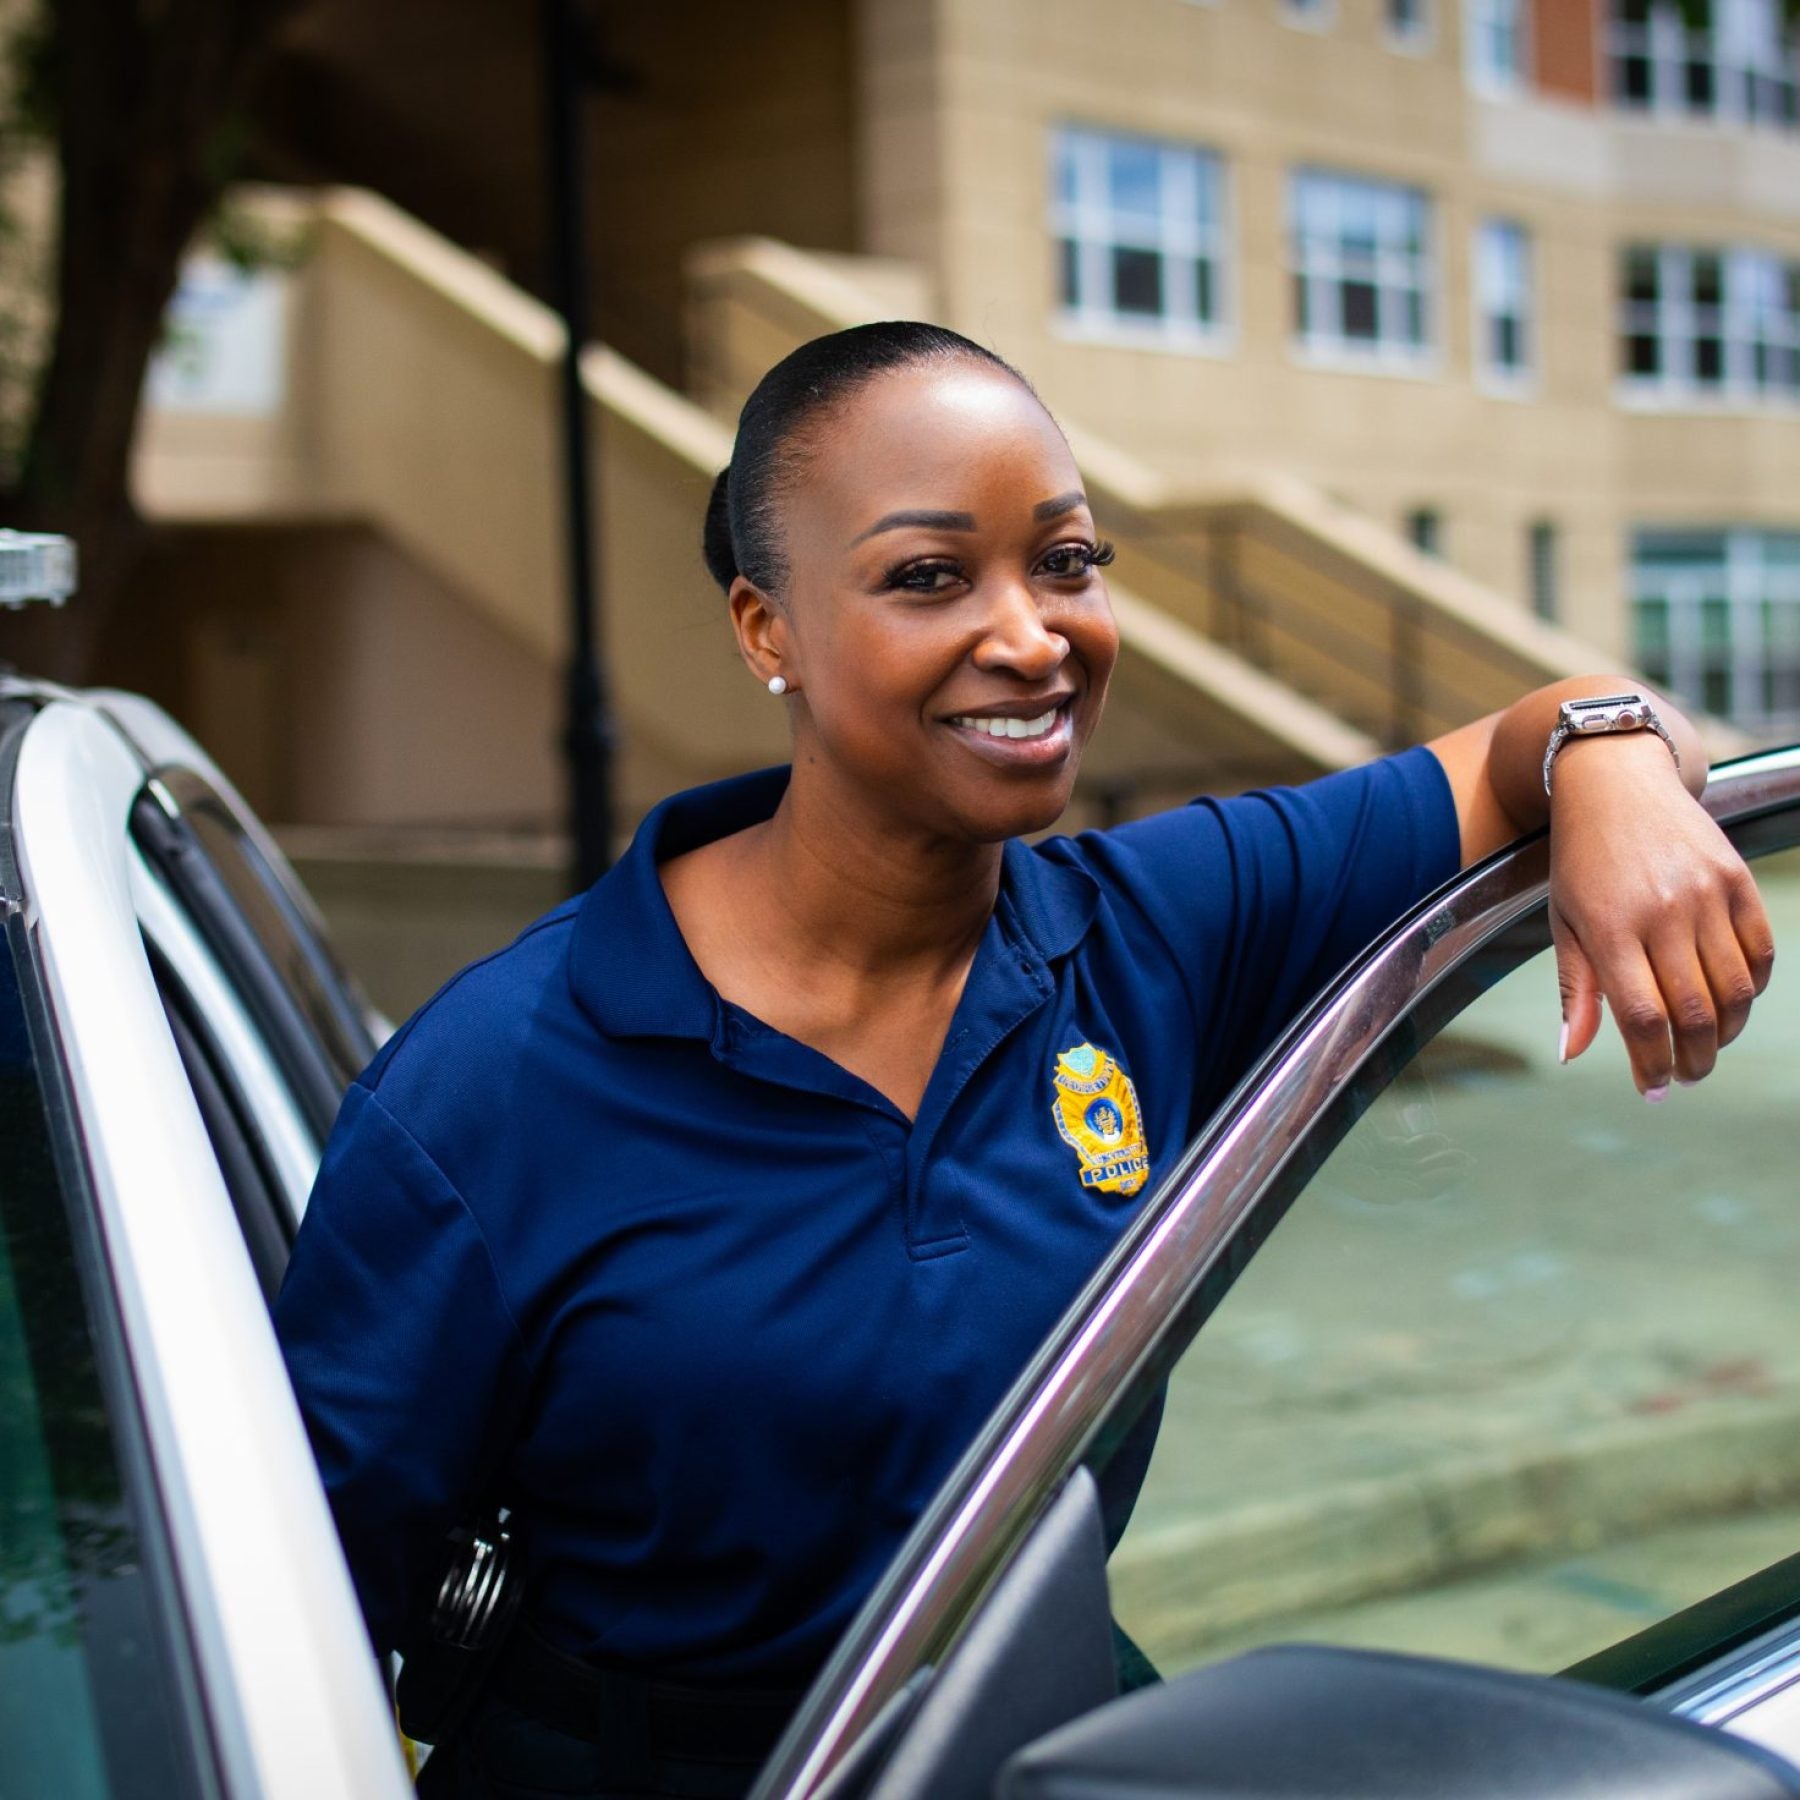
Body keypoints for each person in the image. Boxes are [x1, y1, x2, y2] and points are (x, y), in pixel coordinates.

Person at [274, 322, 1773, 1799]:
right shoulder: (489, 1087)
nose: (1029, 632)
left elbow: (1538, 739)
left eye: (1064, 561)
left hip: (1032, 1735)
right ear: (764, 628)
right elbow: (298, 1635)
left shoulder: (1157, 927)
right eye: (929, 576)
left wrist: (1614, 762)